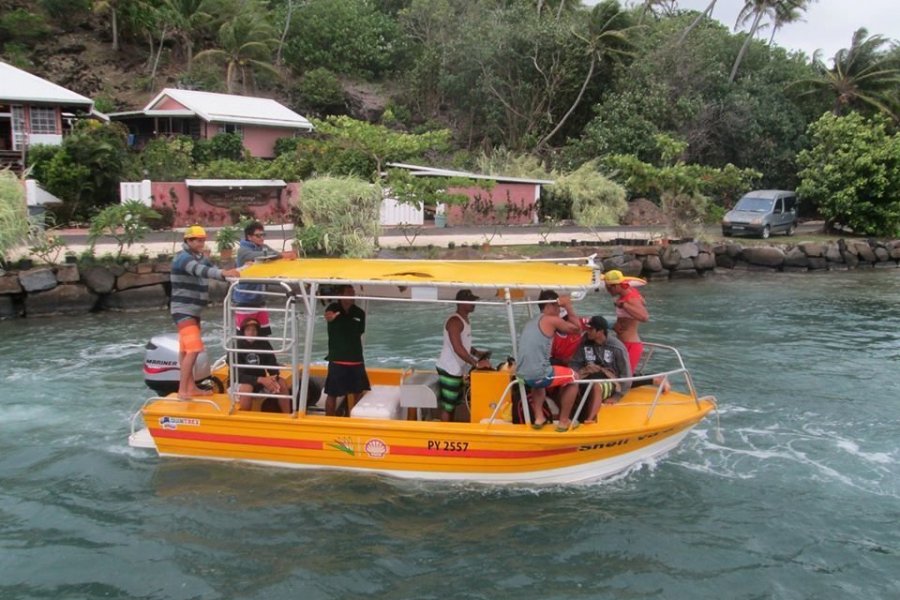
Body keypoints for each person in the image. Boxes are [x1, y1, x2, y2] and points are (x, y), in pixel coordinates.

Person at [170, 225, 240, 399]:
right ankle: (182, 390)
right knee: (193, 349)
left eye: (203, 240)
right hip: (183, 311)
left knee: (186, 350)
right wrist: (224, 273)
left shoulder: (198, 257)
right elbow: (203, 271)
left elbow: (210, 266)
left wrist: (241, 267)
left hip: (193, 310)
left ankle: (190, 387)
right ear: (188, 241)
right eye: (197, 240)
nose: (201, 243)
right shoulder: (183, 259)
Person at [515, 290, 582, 431]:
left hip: (523, 374)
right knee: (574, 377)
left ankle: (539, 418)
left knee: (538, 383)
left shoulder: (532, 321)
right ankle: (564, 421)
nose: (560, 310)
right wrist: (569, 306)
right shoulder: (551, 319)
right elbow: (577, 329)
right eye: (558, 306)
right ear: (550, 305)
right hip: (539, 373)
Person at [435, 289, 492, 422]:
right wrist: (476, 364)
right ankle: (447, 436)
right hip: (449, 368)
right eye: (470, 301)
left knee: (453, 403)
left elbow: (463, 344)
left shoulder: (464, 319)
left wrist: (476, 353)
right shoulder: (455, 321)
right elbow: (457, 348)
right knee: (448, 406)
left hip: (456, 368)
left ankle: (451, 428)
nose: (474, 303)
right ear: (460, 302)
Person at [233, 221, 296, 336]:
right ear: (249, 237)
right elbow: (262, 256)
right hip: (245, 299)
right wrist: (282, 255)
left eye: (263, 235)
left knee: (263, 333)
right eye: (258, 235)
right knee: (245, 336)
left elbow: (275, 254)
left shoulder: (263, 247)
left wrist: (285, 256)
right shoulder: (243, 251)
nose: (262, 238)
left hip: (259, 299)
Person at [569, 315, 632, 424]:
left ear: (600, 331)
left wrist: (617, 396)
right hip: (587, 375)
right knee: (569, 384)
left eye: (591, 329)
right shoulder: (584, 343)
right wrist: (574, 374)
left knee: (596, 386)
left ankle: (590, 419)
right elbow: (575, 363)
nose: (587, 331)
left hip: (609, 380)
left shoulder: (617, 347)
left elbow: (625, 373)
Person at [323, 285, 370, 416]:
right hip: (337, 359)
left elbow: (360, 331)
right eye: (349, 292)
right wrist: (330, 318)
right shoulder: (333, 308)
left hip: (356, 359)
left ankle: (355, 419)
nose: (352, 294)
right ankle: (329, 421)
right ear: (341, 295)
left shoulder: (359, 313)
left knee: (358, 392)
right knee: (332, 393)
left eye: (353, 292)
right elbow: (328, 316)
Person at [233, 318, 290, 413]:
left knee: (281, 383)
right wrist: (260, 379)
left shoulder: (264, 344)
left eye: (254, 330)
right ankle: (245, 420)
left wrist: (274, 378)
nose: (251, 332)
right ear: (243, 332)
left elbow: (272, 365)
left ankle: (288, 417)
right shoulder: (235, 346)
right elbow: (237, 375)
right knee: (247, 388)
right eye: (248, 330)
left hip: (260, 382)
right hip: (240, 382)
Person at [602, 269, 649, 373]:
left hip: (630, 345)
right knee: (615, 373)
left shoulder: (629, 299)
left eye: (609, 288)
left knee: (624, 377)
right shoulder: (629, 291)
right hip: (622, 343)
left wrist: (624, 305)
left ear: (617, 285)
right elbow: (643, 301)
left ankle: (656, 380)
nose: (608, 291)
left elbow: (644, 317)